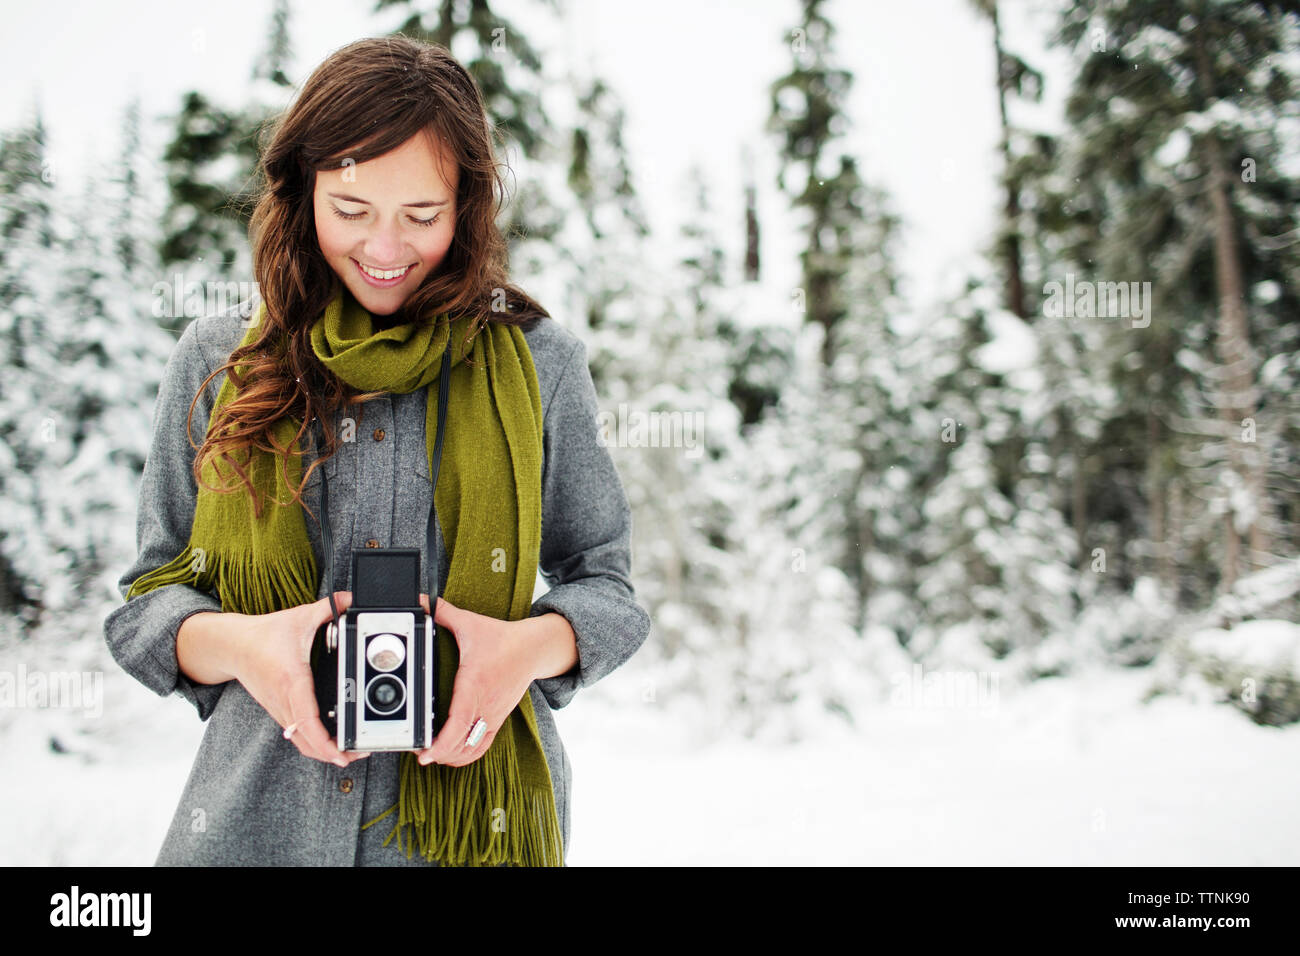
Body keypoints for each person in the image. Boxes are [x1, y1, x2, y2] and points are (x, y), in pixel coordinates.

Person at [101, 35, 651, 866]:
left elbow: (606, 586)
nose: (386, 250)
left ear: (465, 205)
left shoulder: (540, 365)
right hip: (256, 827)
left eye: (421, 217)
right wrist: (248, 647)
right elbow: (146, 605)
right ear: (302, 192)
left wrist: (522, 652)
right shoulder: (222, 364)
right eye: (351, 212)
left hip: (464, 837)